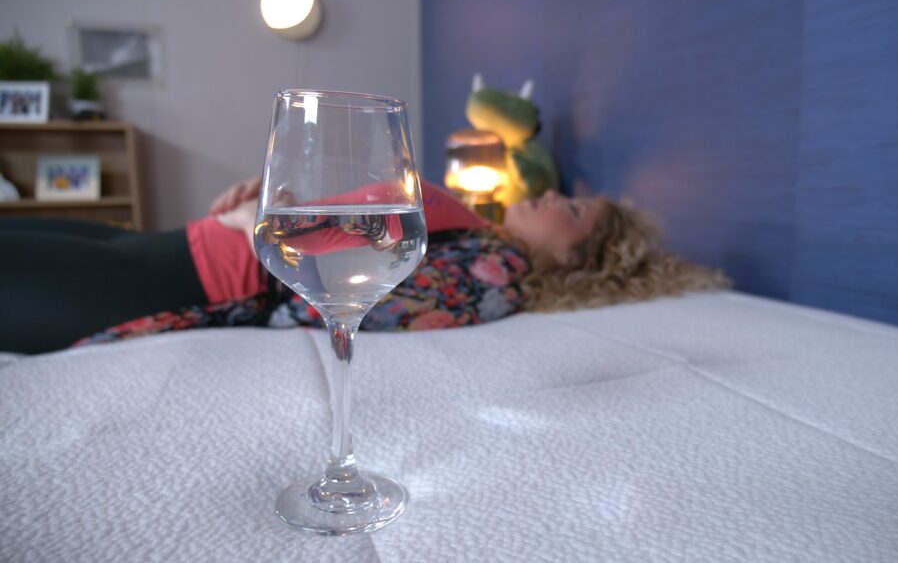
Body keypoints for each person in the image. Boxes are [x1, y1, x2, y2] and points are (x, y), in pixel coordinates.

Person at [0, 177, 728, 354]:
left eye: (570, 208)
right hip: (178, 241)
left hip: (185, 280)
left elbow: (339, 301)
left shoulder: (490, 265)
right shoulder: (471, 222)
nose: (549, 193)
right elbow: (326, 228)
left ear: (575, 258)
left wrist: (268, 230)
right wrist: (259, 198)